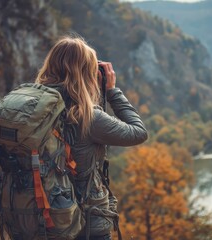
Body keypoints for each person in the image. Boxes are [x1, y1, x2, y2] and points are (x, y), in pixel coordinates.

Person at [35, 34, 148, 240]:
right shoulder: (86, 116)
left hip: (38, 219)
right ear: (86, 73)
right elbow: (138, 132)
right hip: (85, 226)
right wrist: (112, 91)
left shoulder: (34, 111)